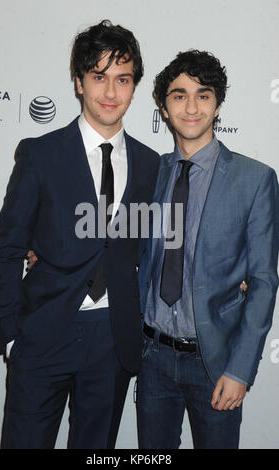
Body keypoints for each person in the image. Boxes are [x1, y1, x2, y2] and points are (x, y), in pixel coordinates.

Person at [0, 20, 159, 449]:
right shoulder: (40, 154)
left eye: (123, 79)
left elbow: (152, 246)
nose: (110, 92)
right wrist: (9, 335)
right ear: (79, 82)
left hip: (112, 337)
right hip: (43, 333)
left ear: (134, 86)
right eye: (98, 77)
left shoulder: (150, 163)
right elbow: (7, 248)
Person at [137, 50, 279, 449]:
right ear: (164, 109)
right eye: (179, 95)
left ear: (218, 105)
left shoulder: (255, 179)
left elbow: (265, 281)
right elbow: (120, 242)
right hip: (153, 358)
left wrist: (240, 369)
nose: (192, 106)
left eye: (203, 94)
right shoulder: (151, 173)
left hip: (215, 363)